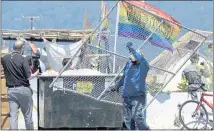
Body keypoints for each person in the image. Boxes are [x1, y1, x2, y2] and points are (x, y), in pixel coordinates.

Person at [110, 42, 150, 130]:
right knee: (127, 120)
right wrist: (117, 86)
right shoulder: (128, 65)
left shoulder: (143, 65)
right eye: (131, 54)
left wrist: (132, 49)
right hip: (126, 96)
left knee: (136, 116)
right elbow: (124, 77)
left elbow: (140, 58)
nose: (131, 56)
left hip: (137, 96)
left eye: (133, 54)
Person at [1, 40, 39, 129]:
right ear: (22, 48)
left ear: (13, 47)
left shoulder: (4, 58)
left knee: (13, 116)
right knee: (27, 116)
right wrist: (36, 73)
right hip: (23, 90)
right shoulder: (23, 59)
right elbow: (29, 76)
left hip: (11, 91)